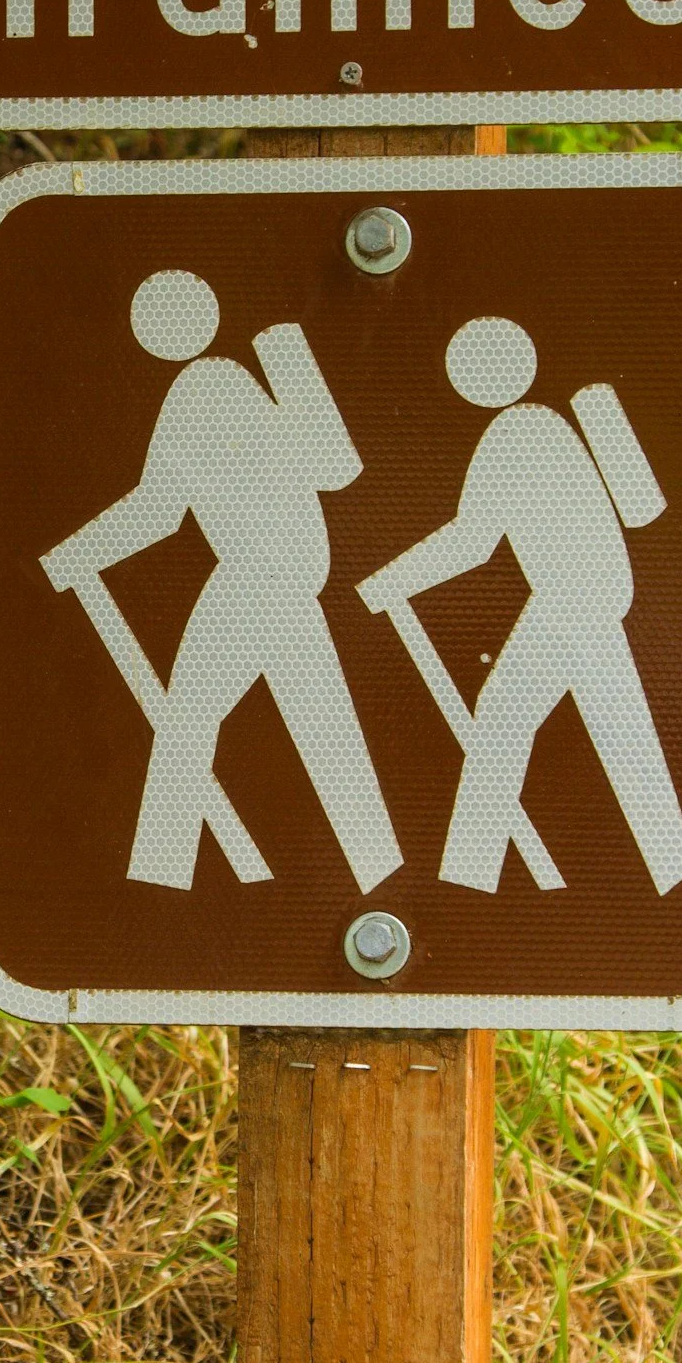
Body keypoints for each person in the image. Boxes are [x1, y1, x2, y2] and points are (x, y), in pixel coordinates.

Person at [43, 270, 401, 896]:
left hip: (252, 589)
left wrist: (74, 556)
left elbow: (158, 508)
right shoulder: (237, 383)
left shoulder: (203, 391)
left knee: (188, 725)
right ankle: (378, 871)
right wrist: (75, 556)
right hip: (288, 587)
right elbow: (167, 506)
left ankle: (158, 879)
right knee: (321, 733)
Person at [358, 315, 682, 897]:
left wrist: (388, 583)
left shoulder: (514, 436)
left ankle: (468, 879)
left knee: (502, 724)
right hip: (593, 599)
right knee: (615, 735)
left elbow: (473, 539)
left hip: (570, 605)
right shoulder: (552, 425)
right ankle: (675, 871)